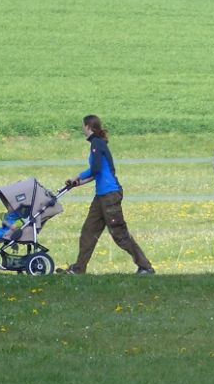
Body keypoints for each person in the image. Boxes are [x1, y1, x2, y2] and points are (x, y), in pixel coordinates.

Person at [61, 115, 155, 275]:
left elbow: (96, 169)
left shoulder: (97, 144)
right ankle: (78, 268)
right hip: (101, 196)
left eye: (83, 126)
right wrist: (77, 182)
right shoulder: (97, 144)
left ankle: (145, 267)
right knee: (88, 231)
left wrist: (77, 178)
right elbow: (96, 171)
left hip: (109, 195)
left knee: (119, 234)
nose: (82, 129)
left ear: (88, 127)